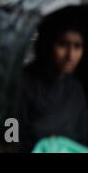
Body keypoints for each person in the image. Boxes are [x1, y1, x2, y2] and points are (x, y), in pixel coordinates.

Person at [18, 16, 88, 152]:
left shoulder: (76, 89)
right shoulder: (22, 84)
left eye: (77, 46)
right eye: (63, 44)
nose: (70, 55)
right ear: (48, 44)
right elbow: (9, 134)